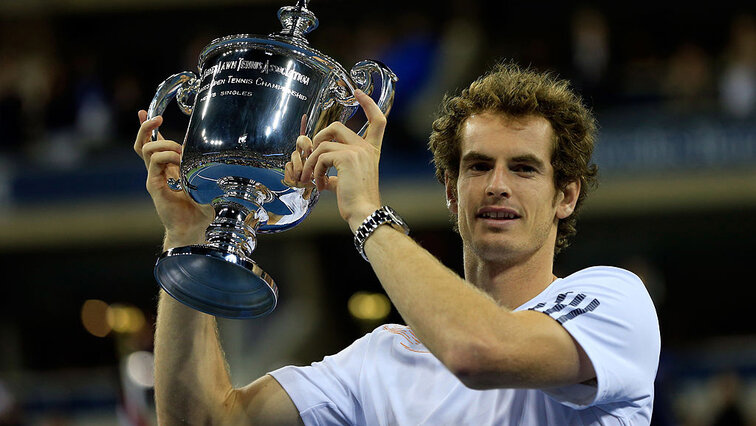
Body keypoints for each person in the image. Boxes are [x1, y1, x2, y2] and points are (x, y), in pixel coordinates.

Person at [134, 62, 660, 425]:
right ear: (452, 192)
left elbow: (478, 350)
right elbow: (200, 418)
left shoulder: (613, 302)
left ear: (566, 196)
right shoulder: (381, 359)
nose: (497, 184)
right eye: (478, 166)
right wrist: (187, 238)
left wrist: (367, 214)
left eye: (523, 168)